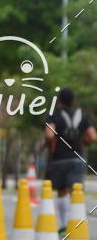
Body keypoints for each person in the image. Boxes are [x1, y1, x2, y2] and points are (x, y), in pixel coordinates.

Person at [44, 87, 96, 231]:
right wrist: (84, 142)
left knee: (62, 191)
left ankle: (64, 224)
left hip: (59, 159)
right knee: (76, 191)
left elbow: (49, 134)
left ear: (59, 101)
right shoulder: (82, 116)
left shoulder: (54, 116)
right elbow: (93, 136)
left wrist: (49, 144)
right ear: (73, 100)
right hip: (77, 158)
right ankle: (77, 224)